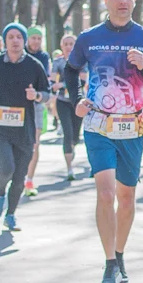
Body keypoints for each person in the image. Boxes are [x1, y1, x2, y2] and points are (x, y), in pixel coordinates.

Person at [64, 0, 143, 283]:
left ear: (135, 1)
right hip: (98, 124)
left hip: (132, 126)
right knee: (106, 191)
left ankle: (120, 254)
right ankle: (109, 263)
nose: (123, 1)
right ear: (106, 1)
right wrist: (77, 100)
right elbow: (70, 71)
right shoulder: (89, 38)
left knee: (126, 197)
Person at [0, 24, 51, 231]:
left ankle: (10, 215)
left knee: (19, 179)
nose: (15, 40)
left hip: (24, 130)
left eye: (19, 37)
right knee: (7, 167)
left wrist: (35, 96)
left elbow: (47, 93)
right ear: (5, 40)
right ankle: (0, 192)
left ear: (24, 40)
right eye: (11, 37)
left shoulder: (34, 66)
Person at [51, 33, 84, 180]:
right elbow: (52, 83)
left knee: (75, 137)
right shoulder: (57, 62)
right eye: (66, 44)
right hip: (62, 102)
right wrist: (56, 86)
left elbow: (82, 82)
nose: (69, 47)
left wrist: (63, 85)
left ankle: (72, 147)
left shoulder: (82, 62)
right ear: (61, 46)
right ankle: (70, 168)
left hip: (77, 103)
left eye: (71, 44)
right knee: (67, 133)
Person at [23, 26, 51, 197]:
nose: (36, 41)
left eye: (39, 39)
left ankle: (29, 180)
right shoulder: (20, 54)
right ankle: (19, 175)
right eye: (33, 38)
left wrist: (39, 95)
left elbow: (46, 82)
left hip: (37, 103)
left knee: (34, 143)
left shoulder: (43, 57)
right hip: (18, 105)